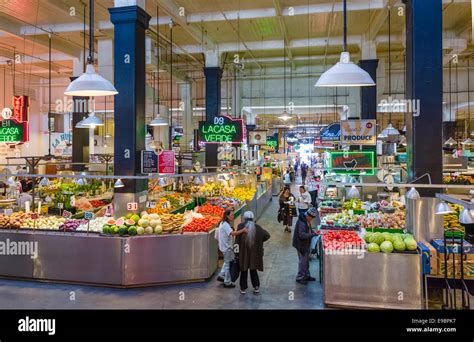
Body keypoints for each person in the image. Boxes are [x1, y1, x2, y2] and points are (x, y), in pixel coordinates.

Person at [235, 211, 270, 294]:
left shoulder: (241, 226)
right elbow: (267, 235)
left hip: (243, 253)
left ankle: (243, 288)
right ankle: (256, 286)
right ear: (253, 218)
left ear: (244, 218)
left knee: (243, 270)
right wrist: (259, 241)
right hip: (254, 253)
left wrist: (236, 252)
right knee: (253, 269)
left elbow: (237, 240)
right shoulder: (257, 227)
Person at [215, 209, 248, 288]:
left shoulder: (222, 223)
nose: (233, 216)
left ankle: (221, 275)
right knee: (228, 265)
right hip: (227, 248)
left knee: (226, 262)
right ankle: (227, 282)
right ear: (227, 216)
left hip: (222, 246)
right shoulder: (226, 225)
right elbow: (233, 233)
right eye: (232, 215)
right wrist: (243, 230)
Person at [292, 207, 318, 285]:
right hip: (301, 245)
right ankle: (300, 277)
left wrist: (312, 232)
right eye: (312, 218)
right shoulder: (302, 222)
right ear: (309, 216)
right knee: (303, 262)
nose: (312, 220)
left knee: (306, 261)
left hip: (305, 244)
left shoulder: (306, 220)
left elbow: (308, 229)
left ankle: (306, 275)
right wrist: (313, 234)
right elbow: (302, 235)